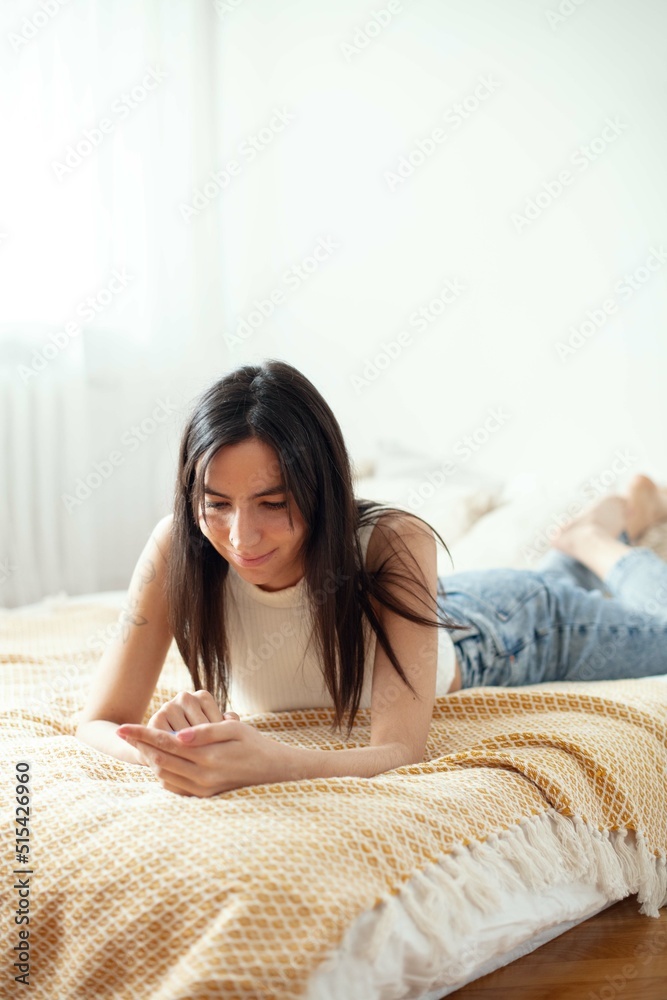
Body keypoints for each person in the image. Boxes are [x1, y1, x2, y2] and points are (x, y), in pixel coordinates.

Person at [75, 360, 667, 796]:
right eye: (218, 504)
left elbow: (400, 751)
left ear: (321, 488)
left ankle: (596, 536)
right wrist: (168, 750)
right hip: (431, 613)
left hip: (507, 631)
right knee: (557, 580)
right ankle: (591, 534)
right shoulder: (175, 547)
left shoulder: (394, 540)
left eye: (274, 503)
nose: (240, 537)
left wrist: (268, 762)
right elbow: (99, 721)